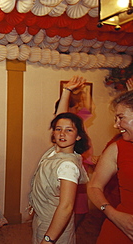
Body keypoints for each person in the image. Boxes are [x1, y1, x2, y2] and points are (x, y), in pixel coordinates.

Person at [28, 112, 90, 244]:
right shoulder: (54, 151)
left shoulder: (67, 166)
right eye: (58, 129)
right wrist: (66, 90)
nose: (62, 133)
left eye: (69, 130)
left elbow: (66, 206)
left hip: (53, 224)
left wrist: (48, 239)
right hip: (41, 217)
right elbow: (60, 117)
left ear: (78, 136)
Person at [87, 90, 133, 243]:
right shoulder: (117, 148)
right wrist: (113, 214)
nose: (115, 125)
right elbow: (94, 187)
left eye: (121, 118)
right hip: (122, 228)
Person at [55, 76, 95, 229]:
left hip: (81, 167)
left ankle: (70, 230)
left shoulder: (79, 121)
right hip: (74, 168)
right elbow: (61, 114)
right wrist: (67, 91)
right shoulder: (65, 125)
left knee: (79, 209)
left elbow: (89, 107)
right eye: (76, 106)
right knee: (69, 207)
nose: (79, 108)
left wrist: (83, 92)